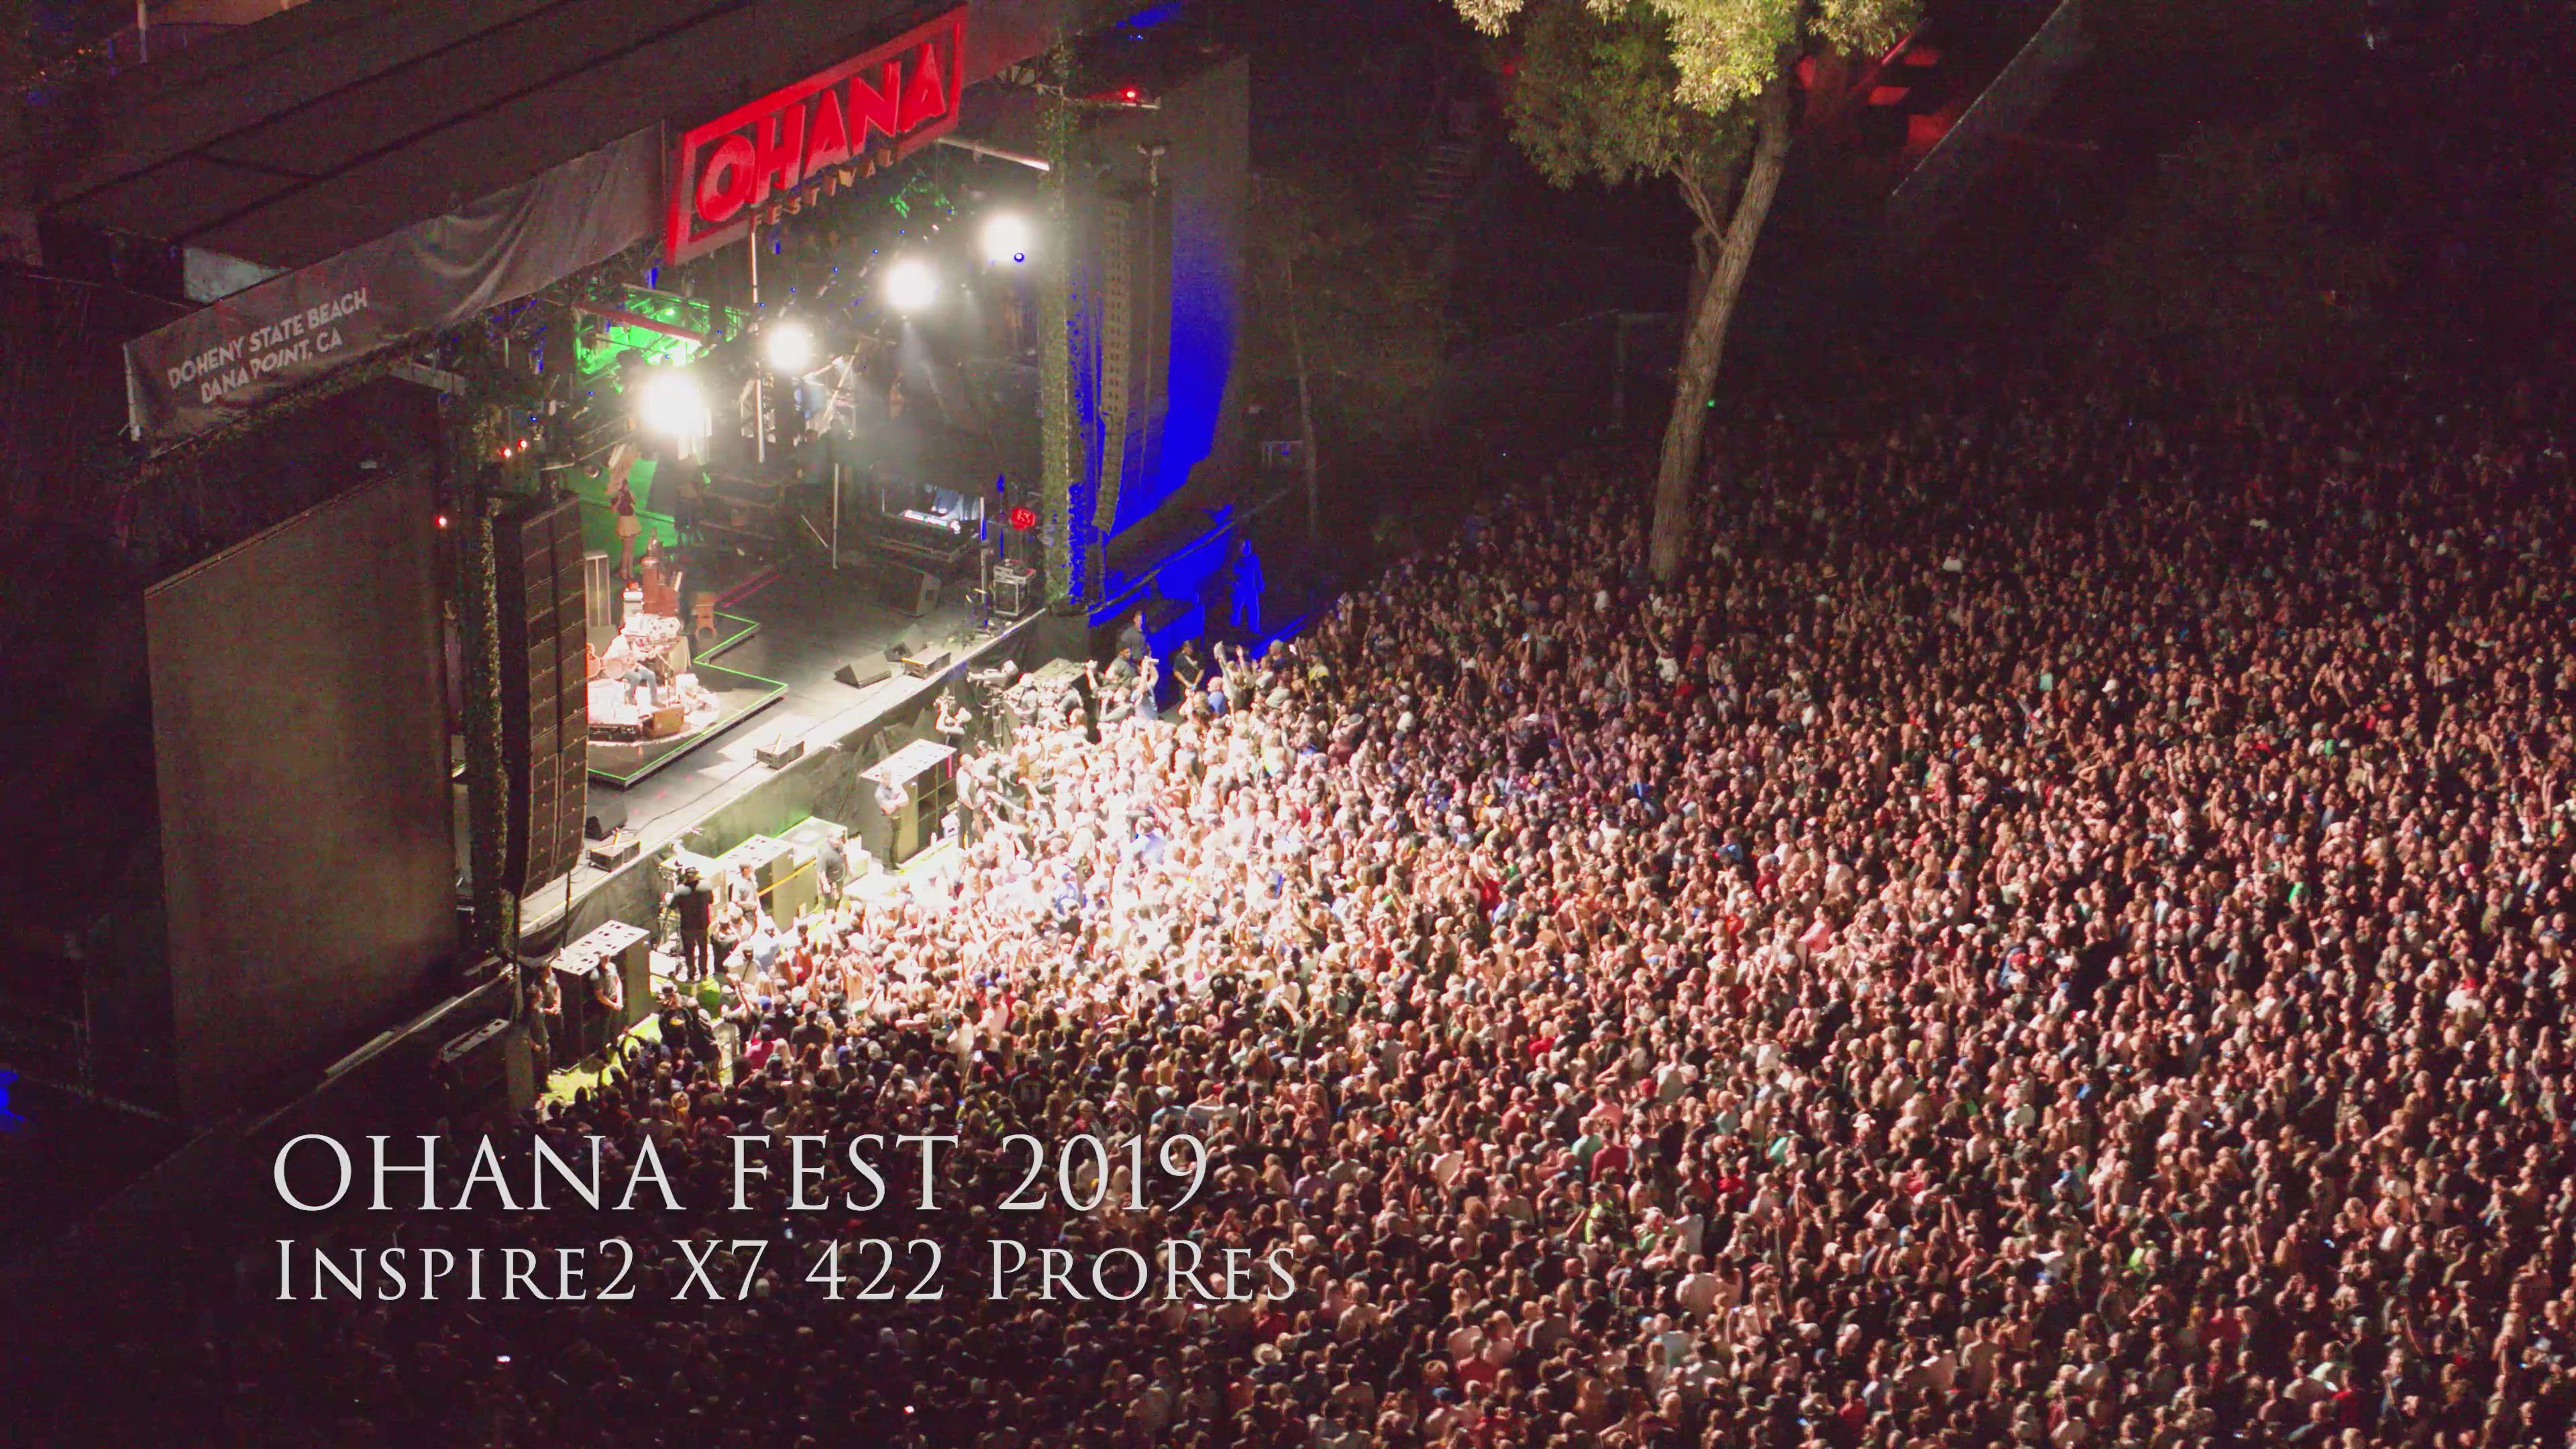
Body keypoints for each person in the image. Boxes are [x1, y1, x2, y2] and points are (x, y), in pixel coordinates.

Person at [664, 865, 714, 982]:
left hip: (687, 927)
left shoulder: (680, 890)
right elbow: (711, 901)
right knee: (703, 949)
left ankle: (691, 974)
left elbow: (672, 906)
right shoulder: (705, 887)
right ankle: (704, 972)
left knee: (689, 951)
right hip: (702, 925)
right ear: (697, 874)